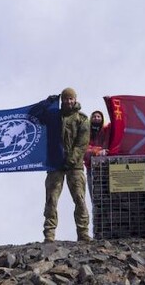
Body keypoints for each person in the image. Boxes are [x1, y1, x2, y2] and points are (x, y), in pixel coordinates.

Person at [43, 88, 92, 242]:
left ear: (75, 99)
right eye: (65, 99)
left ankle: (83, 232)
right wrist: (46, 104)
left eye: (71, 99)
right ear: (62, 100)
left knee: (79, 198)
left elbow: (82, 144)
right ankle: (49, 233)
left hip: (74, 166)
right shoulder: (53, 116)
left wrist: (69, 160)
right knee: (51, 199)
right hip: (55, 164)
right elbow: (37, 118)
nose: (68, 101)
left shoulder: (82, 119)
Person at [84, 110, 110, 196]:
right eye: (94, 116)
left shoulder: (106, 130)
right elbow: (84, 149)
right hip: (91, 167)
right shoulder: (86, 132)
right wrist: (98, 152)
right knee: (94, 193)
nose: (96, 118)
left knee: (106, 193)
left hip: (105, 166)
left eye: (99, 116)